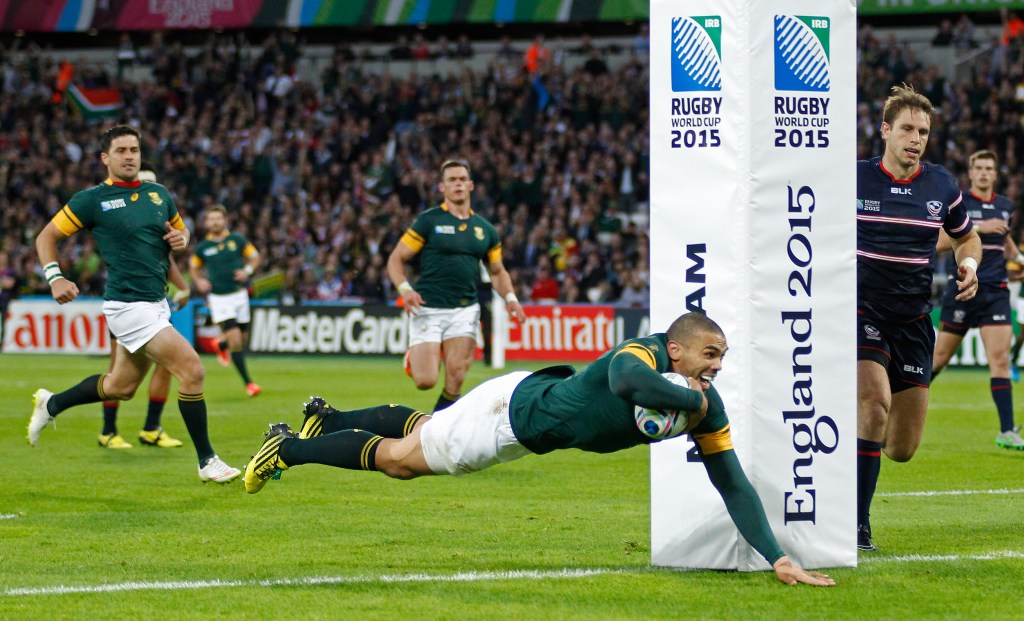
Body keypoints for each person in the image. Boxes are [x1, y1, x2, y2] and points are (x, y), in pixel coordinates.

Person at [243, 312, 835, 587]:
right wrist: (697, 406)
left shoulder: (706, 401)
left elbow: (730, 480)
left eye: (723, 359)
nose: (718, 368)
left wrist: (777, 557)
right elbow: (627, 386)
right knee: (401, 462)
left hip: (521, 398)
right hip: (511, 423)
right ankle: (288, 450)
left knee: (424, 427)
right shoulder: (641, 355)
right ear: (676, 351)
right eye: (710, 355)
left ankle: (328, 420)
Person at [28, 124, 241, 484]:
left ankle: (51, 404)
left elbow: (182, 232)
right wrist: (55, 276)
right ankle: (207, 460)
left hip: (157, 303)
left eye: (134, 150)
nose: (129, 156)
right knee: (193, 370)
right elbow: (46, 236)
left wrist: (182, 238)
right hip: (128, 306)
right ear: (105, 158)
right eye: (122, 150)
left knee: (120, 387)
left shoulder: (159, 194)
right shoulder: (92, 200)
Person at [856, 85, 981, 551]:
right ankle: (856, 524)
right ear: (884, 130)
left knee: (901, 448)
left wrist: (968, 265)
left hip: (913, 320)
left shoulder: (942, 185)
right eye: (907, 128)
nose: (915, 138)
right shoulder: (853, 180)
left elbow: (966, 239)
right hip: (861, 309)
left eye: (923, 131)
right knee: (874, 402)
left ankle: (850, 446)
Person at [387, 160, 526, 412]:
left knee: (457, 376)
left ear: (471, 185)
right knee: (425, 381)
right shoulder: (428, 221)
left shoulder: (484, 230)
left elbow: (497, 271)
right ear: (442, 187)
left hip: (464, 310)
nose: (458, 184)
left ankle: (437, 427)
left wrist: (511, 299)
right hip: (427, 307)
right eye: (452, 180)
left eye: (462, 179)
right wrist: (406, 290)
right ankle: (413, 357)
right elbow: (396, 259)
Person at [932, 150, 1024, 450]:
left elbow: (1005, 242)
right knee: (939, 359)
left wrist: (1019, 260)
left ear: (995, 174)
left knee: (998, 361)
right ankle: (897, 405)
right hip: (962, 288)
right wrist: (978, 229)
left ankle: (1007, 430)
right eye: (979, 168)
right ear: (970, 173)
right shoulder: (960, 204)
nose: (984, 173)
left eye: (989, 168)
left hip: (995, 292)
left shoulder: (1004, 206)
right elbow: (940, 244)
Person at [98, 162, 188, 449]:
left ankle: (151, 427)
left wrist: (183, 287)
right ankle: (108, 431)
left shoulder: (155, 217)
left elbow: (165, 260)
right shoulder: (123, 220)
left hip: (154, 304)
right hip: (129, 302)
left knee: (167, 367)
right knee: (118, 374)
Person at [189, 204, 262, 397]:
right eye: (211, 219)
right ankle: (249, 383)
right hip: (219, 299)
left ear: (225, 220)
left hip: (239, 295)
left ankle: (220, 345)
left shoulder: (237, 240)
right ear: (206, 223)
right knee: (236, 339)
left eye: (218, 218)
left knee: (241, 339)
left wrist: (247, 271)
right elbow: (193, 267)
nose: (215, 222)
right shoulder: (203, 247)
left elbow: (255, 257)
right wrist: (199, 281)